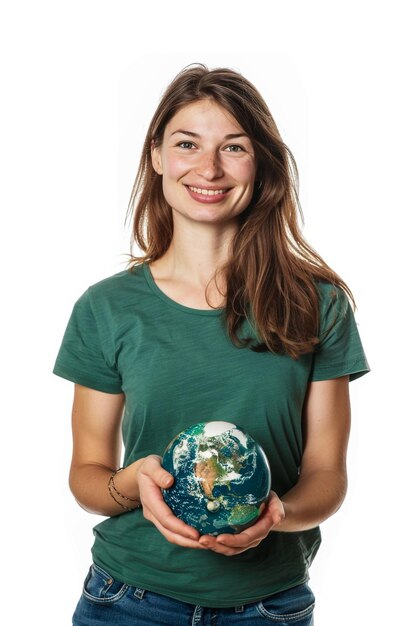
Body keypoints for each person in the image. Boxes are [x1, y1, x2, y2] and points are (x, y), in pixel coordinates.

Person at [54, 64, 369, 625]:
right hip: (127, 602)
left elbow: (327, 473)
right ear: (157, 156)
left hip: (270, 606)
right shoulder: (106, 309)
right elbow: (88, 474)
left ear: (261, 161)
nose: (209, 168)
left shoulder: (316, 303)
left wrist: (277, 514)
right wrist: (135, 485)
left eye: (234, 147)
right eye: (187, 144)